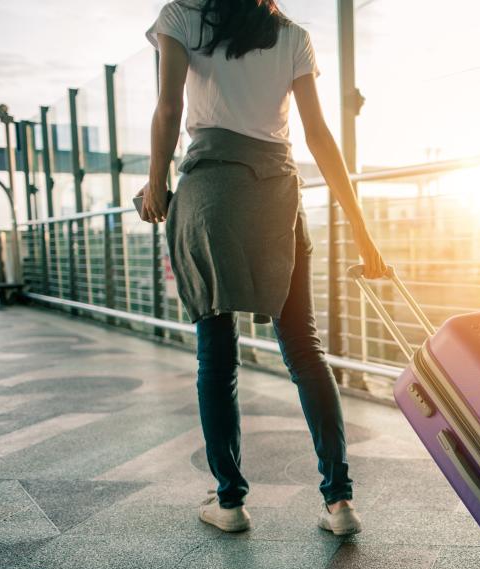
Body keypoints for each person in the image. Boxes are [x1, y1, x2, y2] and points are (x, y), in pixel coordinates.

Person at [140, 0, 385, 535]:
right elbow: (319, 136)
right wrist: (361, 228)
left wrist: (157, 179)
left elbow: (168, 109)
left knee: (217, 354)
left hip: (211, 194)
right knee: (304, 349)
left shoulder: (181, 16)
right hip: (276, 194)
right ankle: (340, 503)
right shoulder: (293, 35)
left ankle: (230, 502)